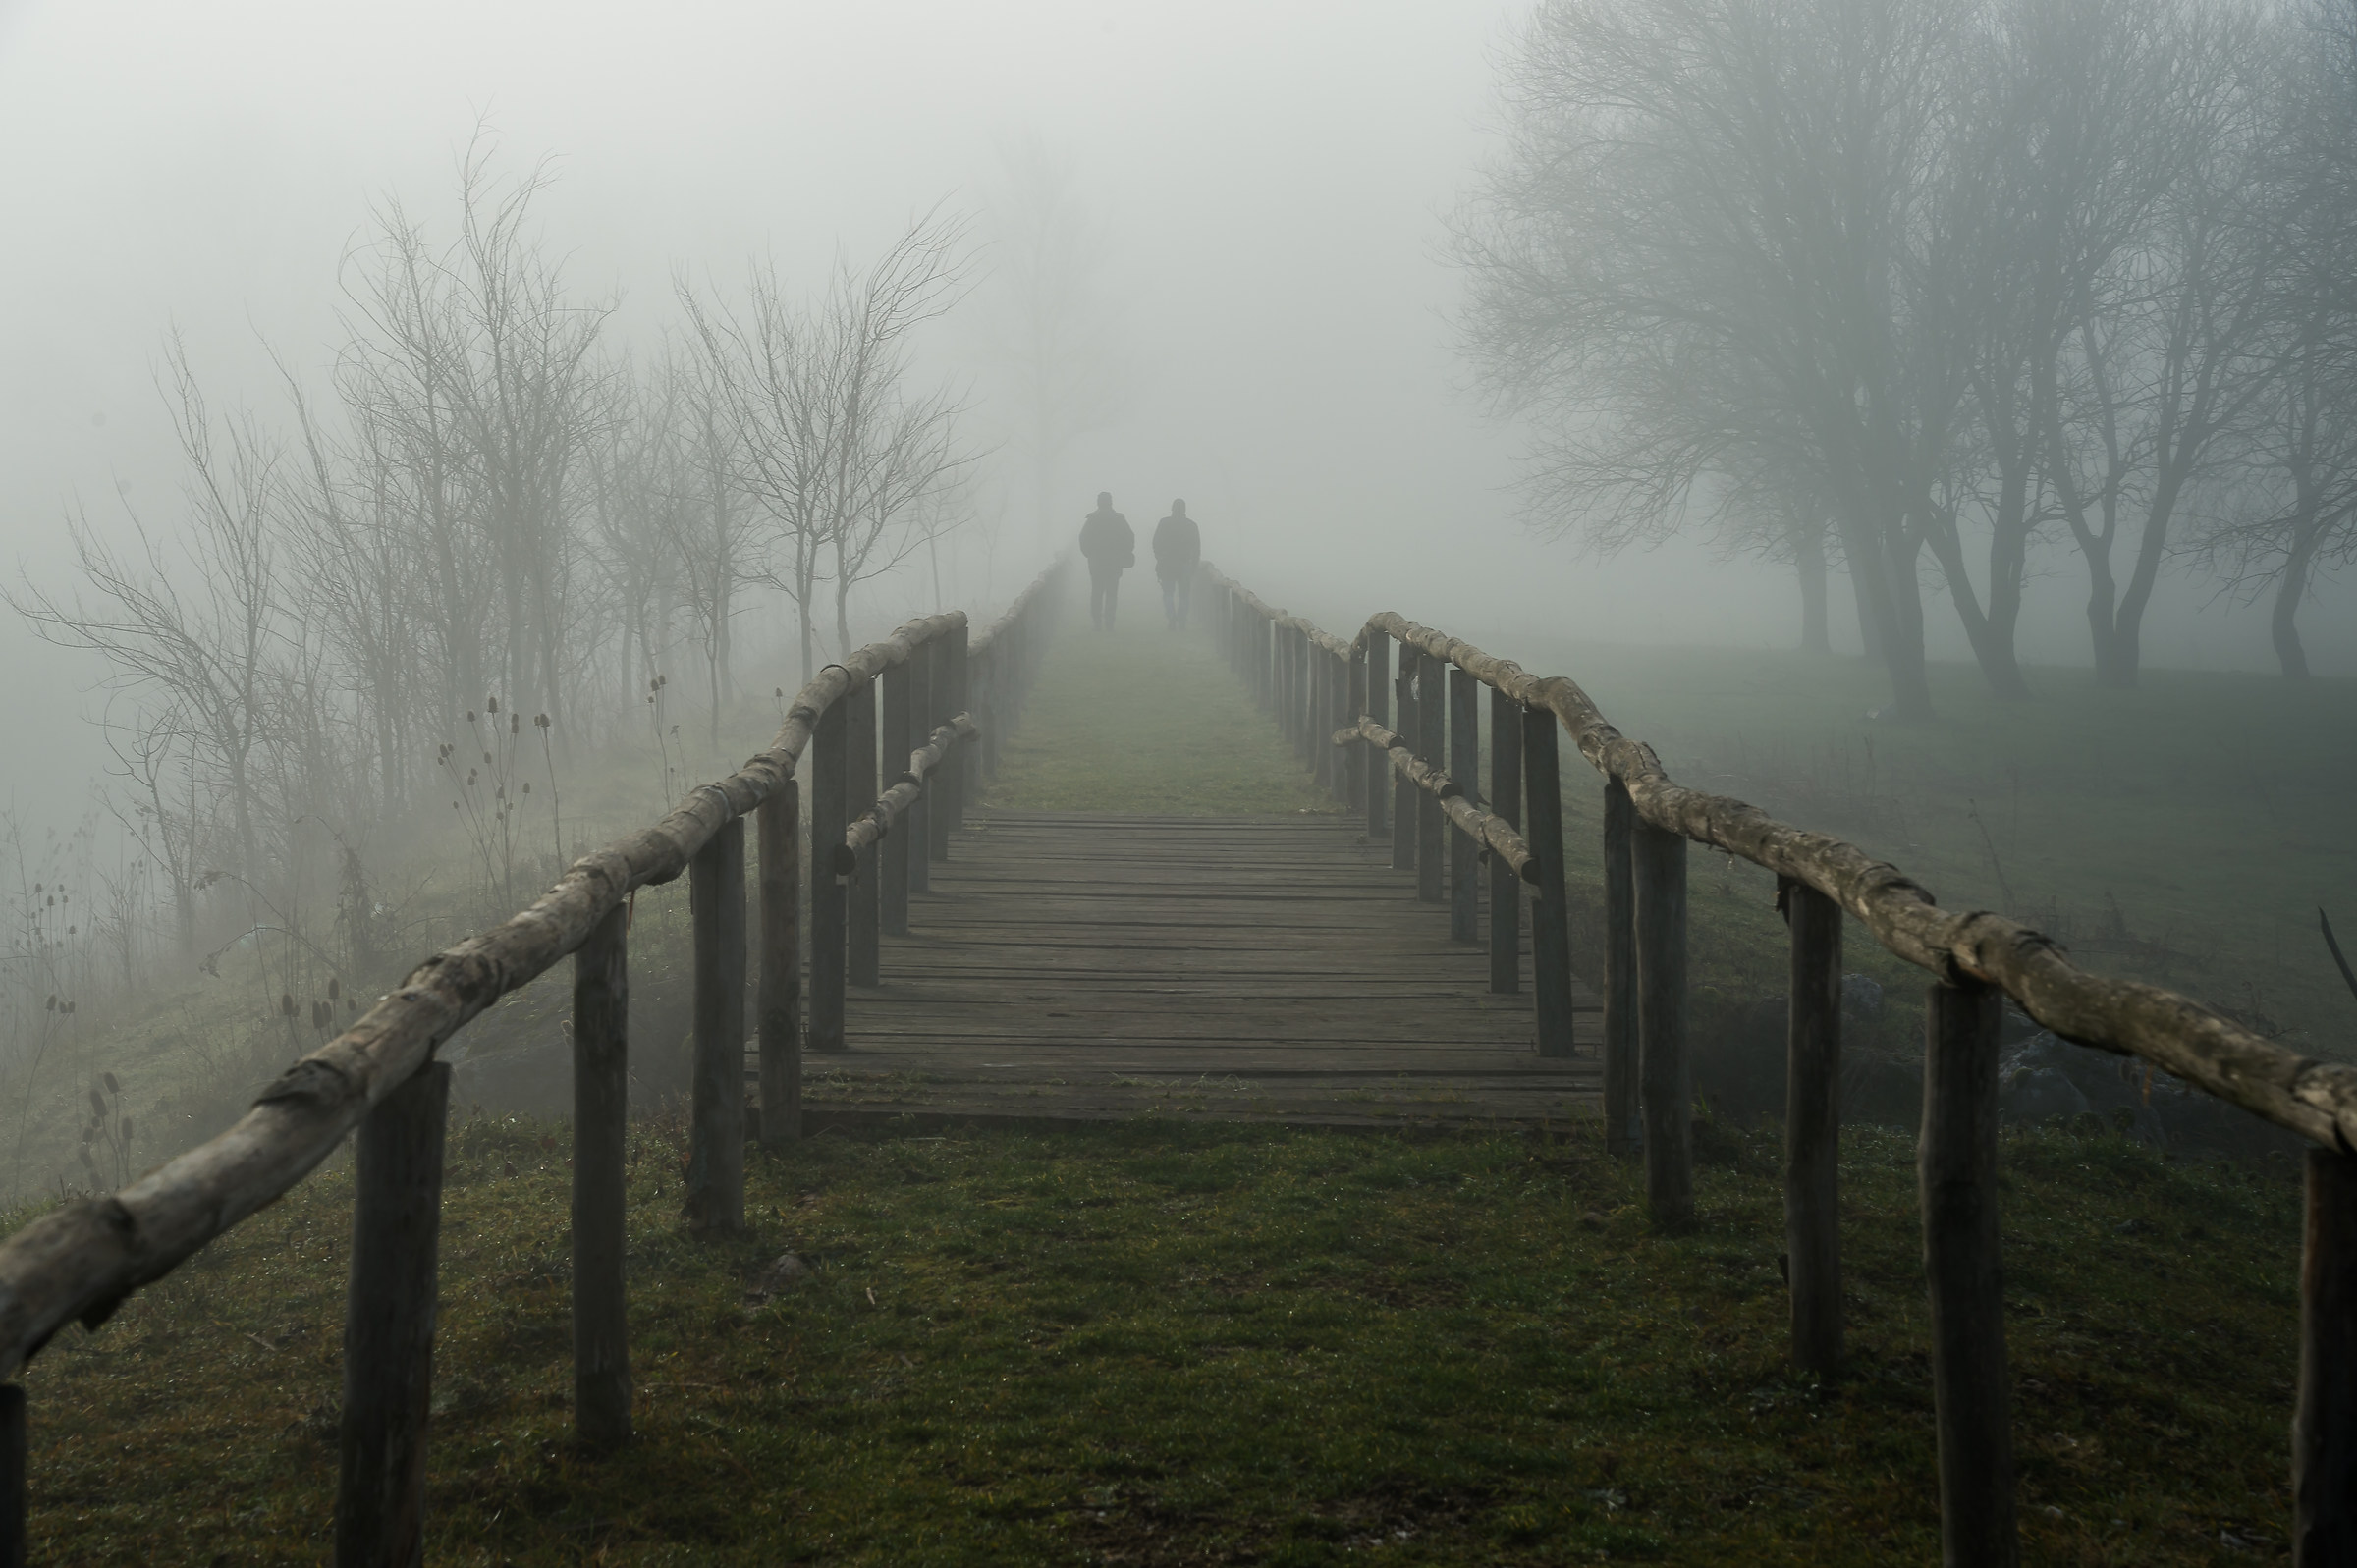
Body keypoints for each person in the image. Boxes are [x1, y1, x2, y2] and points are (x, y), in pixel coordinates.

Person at [1077, 491, 1133, 631]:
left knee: (1096, 592)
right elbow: (1130, 537)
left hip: (1096, 562)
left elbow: (1083, 539)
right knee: (1112, 593)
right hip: (1114, 562)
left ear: (1098, 503)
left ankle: (1097, 622)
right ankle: (1109, 623)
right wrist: (1124, 553)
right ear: (1111, 502)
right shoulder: (1119, 519)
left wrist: (1089, 554)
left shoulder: (1092, 519)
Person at [1152, 499, 1201, 630]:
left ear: (1172, 508)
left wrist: (1159, 557)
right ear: (1184, 509)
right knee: (1184, 594)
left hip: (1167, 563)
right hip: (1184, 564)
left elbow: (1156, 542)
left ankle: (1171, 616)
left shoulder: (1164, 523)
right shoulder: (1191, 526)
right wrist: (1194, 565)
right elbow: (1196, 548)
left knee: (1168, 592)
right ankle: (1182, 620)